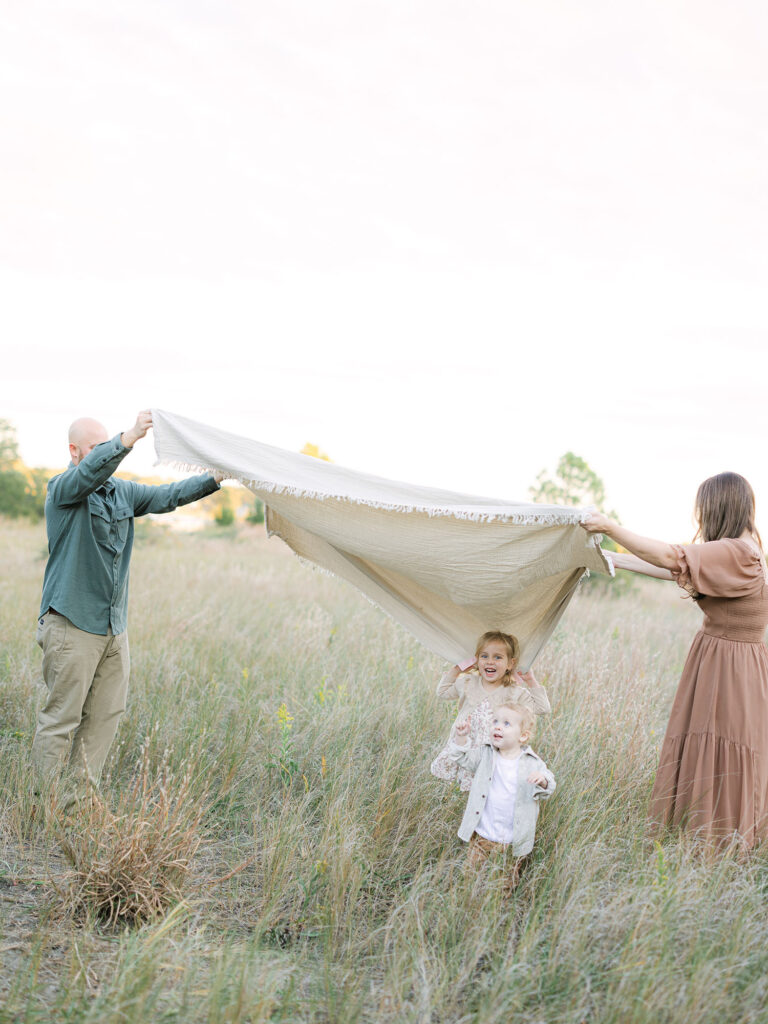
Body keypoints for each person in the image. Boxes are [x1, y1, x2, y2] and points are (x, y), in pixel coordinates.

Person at [33, 410, 225, 799]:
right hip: (71, 624)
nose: (103, 452)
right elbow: (90, 474)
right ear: (74, 452)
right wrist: (129, 436)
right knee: (61, 719)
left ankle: (75, 804)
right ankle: (41, 807)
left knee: (105, 716)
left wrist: (216, 478)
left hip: (112, 630)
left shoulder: (123, 492)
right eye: (95, 447)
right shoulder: (63, 489)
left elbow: (169, 496)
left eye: (106, 444)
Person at [580, 471, 768, 849]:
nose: (700, 520)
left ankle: (713, 847)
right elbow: (674, 568)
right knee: (711, 749)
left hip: (730, 668)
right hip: (724, 660)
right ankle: (701, 840)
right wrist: (614, 560)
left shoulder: (740, 552)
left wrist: (609, 526)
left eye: (703, 510)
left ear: (719, 507)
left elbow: (671, 555)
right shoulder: (741, 551)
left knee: (721, 751)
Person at [446, 702, 555, 894]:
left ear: (522, 736)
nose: (497, 726)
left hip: (512, 841)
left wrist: (543, 780)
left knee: (505, 882)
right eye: (495, 721)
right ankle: (468, 902)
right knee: (470, 875)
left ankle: (499, 908)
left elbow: (549, 785)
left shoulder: (532, 763)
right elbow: (462, 758)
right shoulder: (486, 754)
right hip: (482, 834)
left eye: (506, 724)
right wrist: (461, 737)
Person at [430, 630, 551, 790]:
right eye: (484, 656)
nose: (490, 662)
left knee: (484, 791)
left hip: (491, 752)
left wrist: (531, 680)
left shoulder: (514, 692)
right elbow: (443, 692)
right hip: (464, 745)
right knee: (457, 790)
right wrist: (457, 669)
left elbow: (542, 708)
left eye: (498, 657)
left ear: (510, 664)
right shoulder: (468, 682)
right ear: (477, 660)